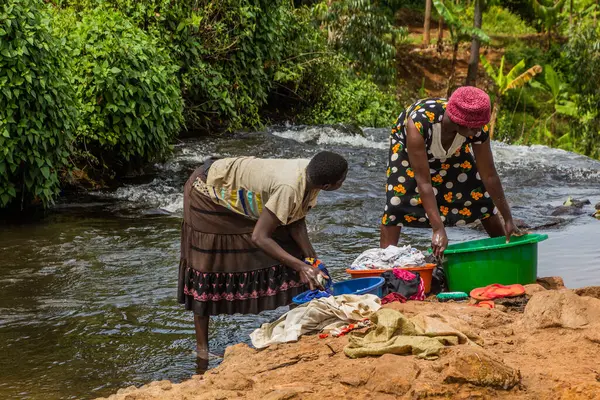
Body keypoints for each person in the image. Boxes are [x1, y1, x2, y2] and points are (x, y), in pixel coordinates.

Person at [178, 151, 348, 361]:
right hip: (207, 192)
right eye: (342, 180)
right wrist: (301, 267)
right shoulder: (290, 186)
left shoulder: (311, 176)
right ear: (328, 186)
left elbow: (295, 219)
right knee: (208, 265)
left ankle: (296, 328)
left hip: (240, 196)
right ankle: (202, 349)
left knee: (293, 252)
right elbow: (259, 237)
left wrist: (311, 259)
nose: (343, 182)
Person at [380, 86, 522, 258]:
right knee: (397, 202)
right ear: (458, 121)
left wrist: (507, 218)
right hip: (408, 146)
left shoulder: (474, 129)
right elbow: (423, 181)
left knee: (479, 197)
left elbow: (489, 175)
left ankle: (505, 252)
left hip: (454, 147)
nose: (479, 132)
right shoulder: (419, 123)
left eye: (480, 127)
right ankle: (385, 263)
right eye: (474, 128)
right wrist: (438, 229)